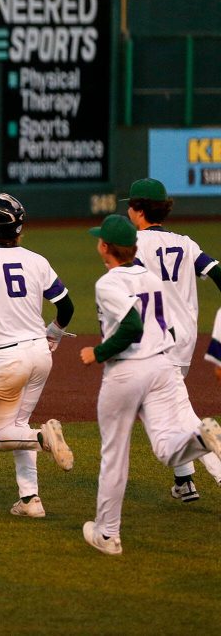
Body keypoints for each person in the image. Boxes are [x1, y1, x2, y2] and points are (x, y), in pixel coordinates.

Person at [79, 215, 221, 555]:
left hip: (127, 372)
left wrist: (97, 353)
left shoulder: (108, 283)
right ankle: (200, 438)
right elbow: (162, 328)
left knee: (114, 456)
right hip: (162, 366)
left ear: (105, 247)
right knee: (166, 447)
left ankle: (108, 534)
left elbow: (131, 327)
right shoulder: (153, 279)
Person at [0, 193, 74, 518]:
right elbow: (66, 307)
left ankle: (44, 438)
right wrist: (54, 333)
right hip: (40, 353)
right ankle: (30, 500)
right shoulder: (37, 260)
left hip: (8, 359)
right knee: (18, 425)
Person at [125, 178, 221, 499]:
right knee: (171, 404)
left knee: (167, 414)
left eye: (130, 205)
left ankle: (211, 465)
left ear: (138, 210)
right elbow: (217, 274)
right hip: (184, 340)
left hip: (153, 339)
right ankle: (184, 481)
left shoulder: (132, 243)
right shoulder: (185, 243)